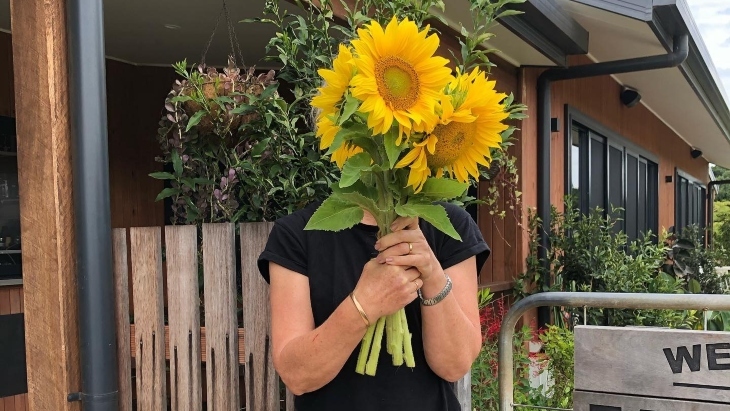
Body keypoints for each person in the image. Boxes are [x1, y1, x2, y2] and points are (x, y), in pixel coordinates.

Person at [257, 200, 490, 410]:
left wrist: (433, 275)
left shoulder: (449, 224)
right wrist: (365, 304)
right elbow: (297, 375)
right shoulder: (297, 233)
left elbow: (455, 365)